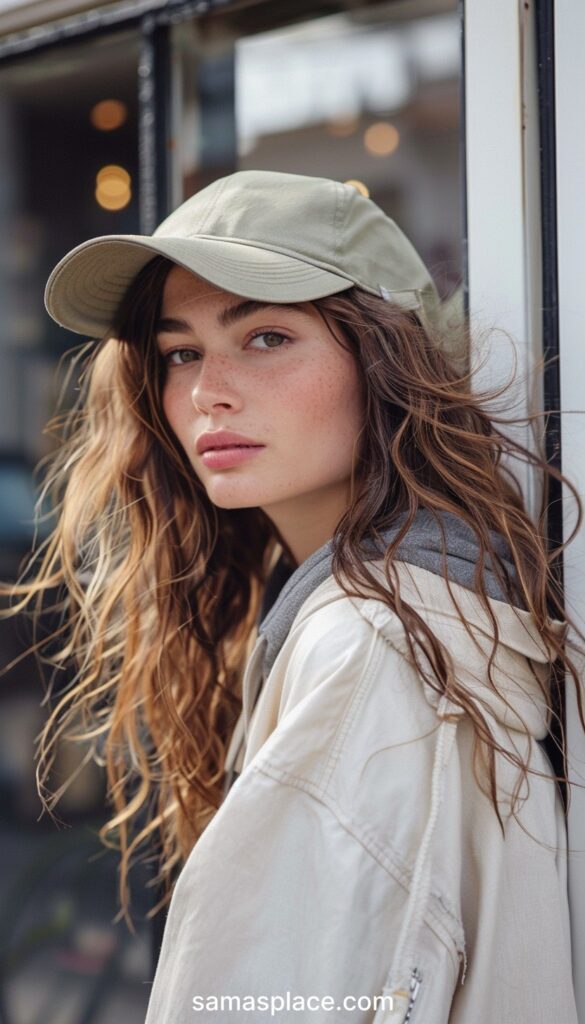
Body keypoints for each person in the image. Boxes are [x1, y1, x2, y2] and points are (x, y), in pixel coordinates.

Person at [2, 169, 583, 1023]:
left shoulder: (368, 646)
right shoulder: (406, 605)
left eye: (267, 337)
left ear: (387, 358)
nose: (207, 392)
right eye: (180, 353)